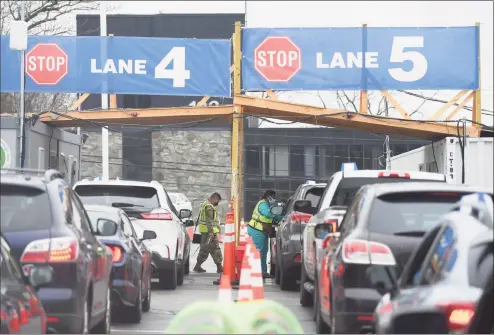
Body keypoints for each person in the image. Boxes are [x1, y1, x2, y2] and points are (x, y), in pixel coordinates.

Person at [247, 190, 283, 278]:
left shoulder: (268, 205)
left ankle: (263, 272)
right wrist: (277, 208)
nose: (274, 199)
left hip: (263, 231)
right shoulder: (263, 204)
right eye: (273, 197)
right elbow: (268, 213)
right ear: (269, 197)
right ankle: (256, 272)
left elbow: (275, 216)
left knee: (264, 252)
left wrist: (283, 218)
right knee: (258, 252)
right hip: (257, 230)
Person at [193, 192, 223, 274]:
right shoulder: (209, 207)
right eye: (217, 201)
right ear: (214, 199)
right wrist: (211, 232)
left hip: (205, 232)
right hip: (209, 232)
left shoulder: (205, 204)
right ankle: (219, 267)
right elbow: (209, 220)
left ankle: (197, 266)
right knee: (215, 249)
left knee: (204, 249)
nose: (217, 203)